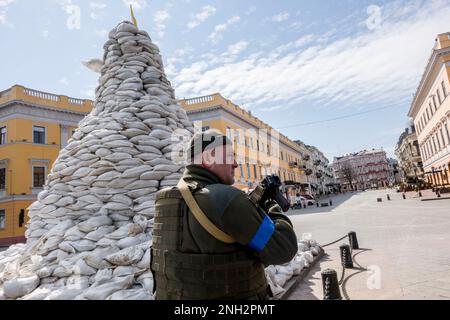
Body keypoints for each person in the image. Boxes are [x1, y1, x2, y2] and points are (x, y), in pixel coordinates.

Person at [151, 129, 298, 300]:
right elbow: (284, 249)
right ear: (207, 158)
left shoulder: (165, 199)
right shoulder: (228, 199)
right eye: (229, 156)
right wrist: (269, 204)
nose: (235, 164)